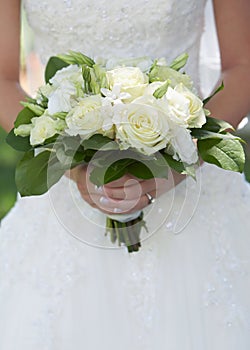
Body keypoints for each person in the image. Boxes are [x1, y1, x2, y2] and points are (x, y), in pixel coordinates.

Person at [0, 0, 250, 349]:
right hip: (67, 197)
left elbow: (242, 67)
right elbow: (3, 78)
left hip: (196, 187)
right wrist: (71, 163)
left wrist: (178, 161)